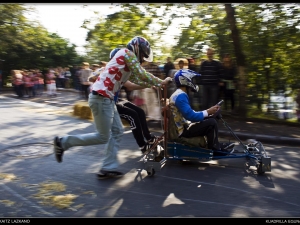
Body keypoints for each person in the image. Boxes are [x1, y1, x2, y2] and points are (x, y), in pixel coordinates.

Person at [53, 36, 172, 179]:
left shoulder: (125, 64)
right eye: (142, 54)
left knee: (117, 131)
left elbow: (137, 79)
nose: (142, 58)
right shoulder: (127, 54)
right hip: (102, 97)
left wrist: (152, 84)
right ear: (136, 49)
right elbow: (141, 74)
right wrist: (161, 82)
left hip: (106, 99)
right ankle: (63, 142)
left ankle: (107, 168)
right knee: (103, 136)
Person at [169, 69, 234, 154]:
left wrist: (208, 113)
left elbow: (189, 114)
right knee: (211, 122)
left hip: (184, 126)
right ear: (185, 80)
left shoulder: (178, 94)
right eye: (192, 80)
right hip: (182, 131)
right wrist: (208, 112)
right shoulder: (180, 96)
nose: (193, 82)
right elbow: (191, 116)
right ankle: (215, 149)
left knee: (209, 120)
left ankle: (216, 145)